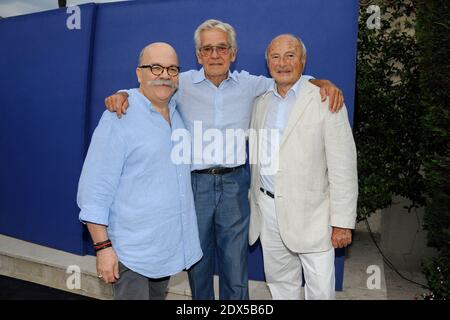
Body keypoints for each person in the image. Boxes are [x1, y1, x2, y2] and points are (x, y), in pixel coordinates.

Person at [104, 19, 344, 300]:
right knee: (198, 262)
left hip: (234, 184)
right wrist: (123, 95)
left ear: (233, 53)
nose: (214, 55)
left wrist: (322, 83)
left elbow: (288, 79)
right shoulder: (181, 85)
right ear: (198, 55)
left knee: (235, 263)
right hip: (195, 186)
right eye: (207, 49)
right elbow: (152, 85)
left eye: (222, 48)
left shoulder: (252, 84)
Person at [77, 42, 202, 300]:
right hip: (130, 254)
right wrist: (103, 248)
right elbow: (94, 190)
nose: (165, 75)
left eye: (172, 69)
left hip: (163, 250)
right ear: (139, 73)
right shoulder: (119, 117)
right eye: (155, 68)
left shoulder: (177, 113)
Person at [248, 34, 358, 300]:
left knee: (320, 290)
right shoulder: (260, 102)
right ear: (268, 63)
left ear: (303, 60)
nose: (282, 63)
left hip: (314, 215)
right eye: (275, 56)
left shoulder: (325, 99)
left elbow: (343, 166)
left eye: (290, 55)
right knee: (280, 284)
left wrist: (342, 222)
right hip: (268, 210)